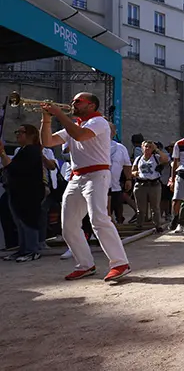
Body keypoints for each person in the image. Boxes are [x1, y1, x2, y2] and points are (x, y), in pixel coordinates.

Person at [39, 92, 131, 281]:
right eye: (73, 100)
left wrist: (58, 114)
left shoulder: (98, 122)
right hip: (77, 177)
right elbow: (47, 142)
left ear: (91, 106)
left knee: (99, 219)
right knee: (68, 226)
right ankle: (85, 264)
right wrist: (46, 120)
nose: (73, 103)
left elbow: (80, 136)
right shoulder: (74, 125)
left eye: (78, 101)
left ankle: (120, 263)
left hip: (97, 174)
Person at [0, 124, 48, 262]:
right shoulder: (23, 150)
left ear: (32, 135)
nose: (17, 134)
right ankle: (23, 249)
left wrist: (2, 153)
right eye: (17, 132)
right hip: (17, 191)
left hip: (28, 193)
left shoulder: (32, 151)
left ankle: (32, 250)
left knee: (28, 222)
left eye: (21, 132)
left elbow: (15, 168)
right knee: (20, 222)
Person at [132, 140, 168, 232]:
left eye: (150, 147)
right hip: (141, 184)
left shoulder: (156, 157)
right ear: (142, 148)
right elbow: (132, 171)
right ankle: (139, 224)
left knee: (155, 207)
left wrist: (156, 149)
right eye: (146, 146)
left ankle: (157, 225)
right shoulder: (138, 159)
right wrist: (134, 173)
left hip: (154, 184)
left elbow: (166, 159)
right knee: (141, 208)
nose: (147, 148)